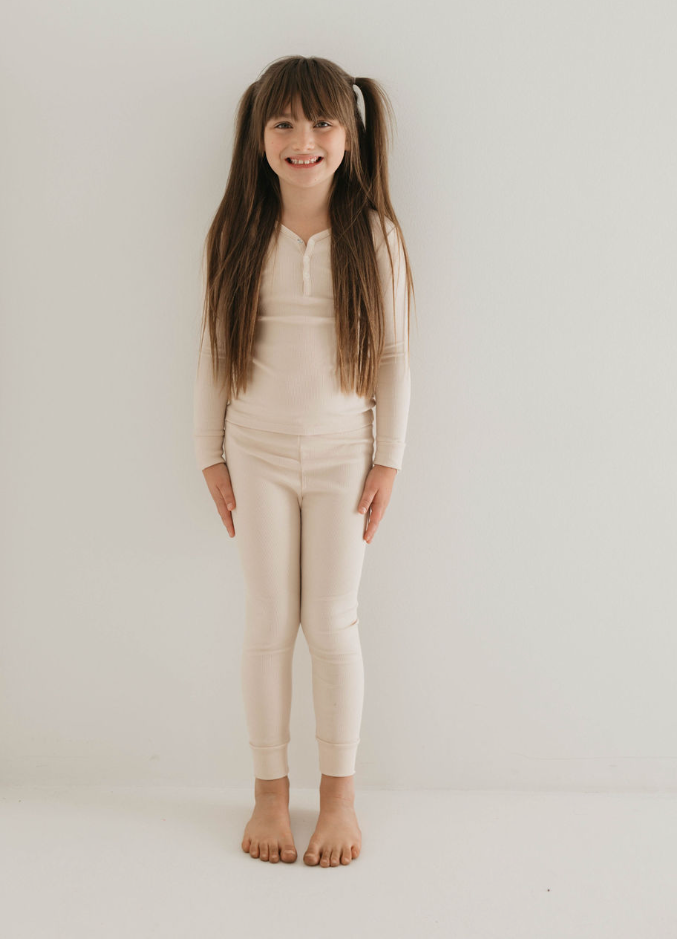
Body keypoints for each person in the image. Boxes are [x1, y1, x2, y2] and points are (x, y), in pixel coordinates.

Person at [193, 54, 414, 867]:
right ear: (258, 137)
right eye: (283, 122)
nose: (303, 139)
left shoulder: (375, 236)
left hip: (344, 458)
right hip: (254, 452)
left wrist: (388, 460)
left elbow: (393, 357)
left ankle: (339, 799)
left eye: (321, 122)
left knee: (330, 621)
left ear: (349, 136)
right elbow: (216, 351)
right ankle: (268, 795)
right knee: (267, 620)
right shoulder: (239, 232)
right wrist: (210, 454)